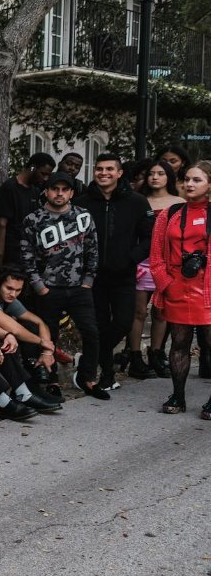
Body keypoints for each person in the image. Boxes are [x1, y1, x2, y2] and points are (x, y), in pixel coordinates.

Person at [20, 171, 106, 400]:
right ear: (46, 191)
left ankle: (88, 378)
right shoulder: (34, 219)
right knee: (50, 336)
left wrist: (88, 280)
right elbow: (26, 256)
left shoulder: (83, 216)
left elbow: (93, 249)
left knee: (91, 332)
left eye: (64, 189)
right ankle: (51, 381)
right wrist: (39, 286)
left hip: (79, 288)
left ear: (71, 193)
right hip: (48, 288)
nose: (59, 193)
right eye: (55, 189)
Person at [74, 153, 151, 391]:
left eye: (109, 169)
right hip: (91, 276)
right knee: (97, 324)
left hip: (124, 275)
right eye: (99, 169)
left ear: (119, 173)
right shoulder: (82, 202)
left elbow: (149, 237)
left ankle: (89, 359)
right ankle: (107, 374)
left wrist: (131, 259)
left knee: (122, 323)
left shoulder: (136, 201)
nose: (103, 173)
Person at [149, 160, 211, 418]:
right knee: (179, 343)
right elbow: (155, 256)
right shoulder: (170, 213)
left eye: (197, 180)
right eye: (187, 179)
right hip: (177, 287)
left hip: (207, 288)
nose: (189, 184)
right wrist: (166, 284)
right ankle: (178, 395)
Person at [0, 267, 65, 408]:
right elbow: (14, 330)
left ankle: (31, 389)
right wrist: (44, 343)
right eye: (9, 288)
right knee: (11, 340)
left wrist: (47, 351)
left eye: (18, 290)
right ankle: (24, 393)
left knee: (30, 328)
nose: (13, 294)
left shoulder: (8, 299)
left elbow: (39, 322)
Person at [129, 159, 183, 378]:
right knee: (139, 311)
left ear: (168, 177)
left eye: (160, 173)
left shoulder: (179, 202)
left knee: (161, 312)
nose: (155, 177)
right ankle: (134, 356)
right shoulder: (138, 201)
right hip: (142, 262)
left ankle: (157, 354)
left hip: (168, 262)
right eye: (151, 173)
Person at [0, 152, 53, 269]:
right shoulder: (10, 187)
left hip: (29, 250)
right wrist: (0, 254)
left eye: (48, 175)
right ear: (33, 167)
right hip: (11, 251)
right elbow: (1, 223)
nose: (45, 178)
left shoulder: (34, 189)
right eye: (43, 173)